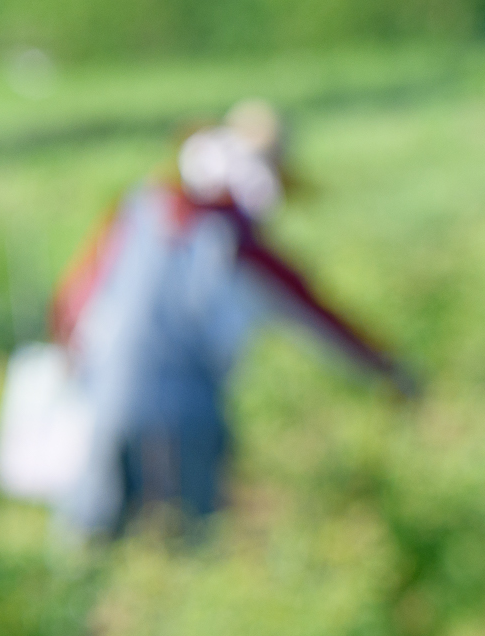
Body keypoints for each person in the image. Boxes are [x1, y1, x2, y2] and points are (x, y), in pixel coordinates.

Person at [45, 100, 418, 541]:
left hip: (104, 401)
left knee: (90, 545)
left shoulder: (141, 207)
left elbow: (71, 301)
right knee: (183, 552)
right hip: (185, 412)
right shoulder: (235, 240)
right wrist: (389, 370)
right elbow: (318, 317)